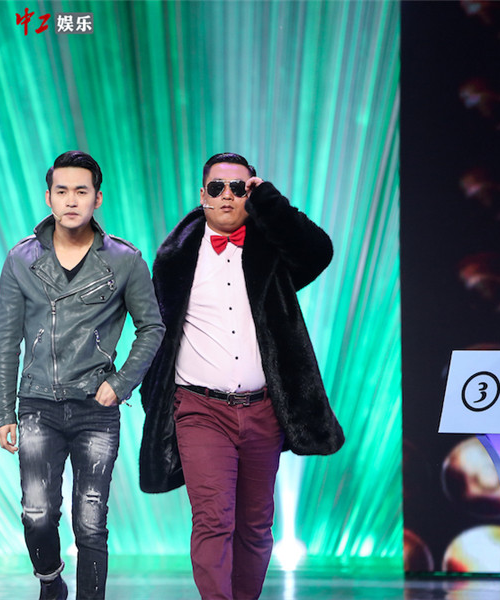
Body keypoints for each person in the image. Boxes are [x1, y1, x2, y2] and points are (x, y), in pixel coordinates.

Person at [139, 153, 345, 599]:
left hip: (263, 409)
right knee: (213, 518)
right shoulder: (174, 259)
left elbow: (319, 251)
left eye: (239, 187)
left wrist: (269, 200)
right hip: (199, 408)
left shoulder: (273, 252)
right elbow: (156, 330)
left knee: (255, 525)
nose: (227, 196)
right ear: (203, 195)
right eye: (217, 187)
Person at [0, 150, 165, 600]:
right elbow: (6, 339)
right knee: (37, 514)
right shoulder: (21, 259)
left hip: (95, 407)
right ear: (48, 197)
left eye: (81, 191)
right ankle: (50, 580)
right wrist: (2, 411)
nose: (71, 200)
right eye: (62, 191)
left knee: (90, 522)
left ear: (97, 199)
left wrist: (120, 383)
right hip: (36, 404)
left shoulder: (125, 260)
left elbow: (152, 327)